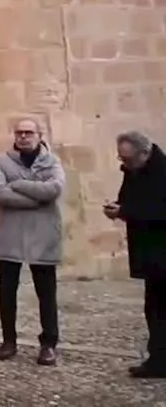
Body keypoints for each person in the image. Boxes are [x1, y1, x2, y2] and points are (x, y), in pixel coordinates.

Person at [0, 117, 65, 366]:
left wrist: (19, 184)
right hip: (10, 236)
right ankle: (8, 340)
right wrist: (37, 196)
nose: (23, 136)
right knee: (7, 292)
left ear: (39, 135)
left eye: (28, 132)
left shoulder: (52, 162)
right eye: (19, 132)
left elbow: (54, 189)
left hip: (43, 236)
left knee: (46, 293)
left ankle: (49, 343)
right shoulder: (1, 162)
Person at [105, 130, 166, 378]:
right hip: (151, 254)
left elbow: (159, 210)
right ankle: (158, 361)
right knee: (154, 309)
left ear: (144, 153)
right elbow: (129, 200)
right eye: (121, 159)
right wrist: (118, 209)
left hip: (162, 251)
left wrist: (126, 210)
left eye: (127, 159)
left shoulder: (163, 173)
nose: (124, 164)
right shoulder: (134, 171)